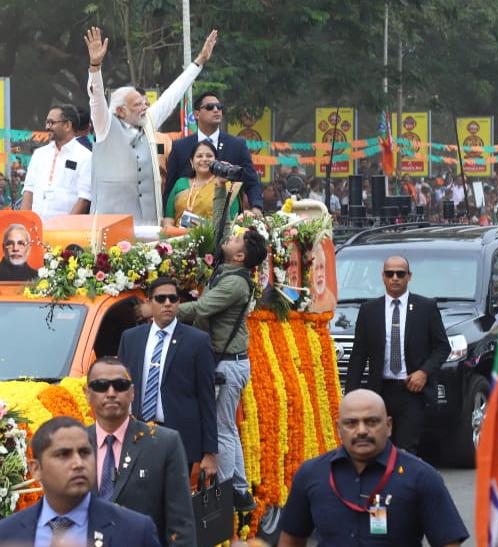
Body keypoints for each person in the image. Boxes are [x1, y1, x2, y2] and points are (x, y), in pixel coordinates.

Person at [278, 389, 467, 547]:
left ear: (389, 425)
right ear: (338, 429)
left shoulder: (422, 476)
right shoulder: (312, 474)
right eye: (351, 423)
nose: (361, 430)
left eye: (371, 422)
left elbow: (449, 542)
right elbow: (291, 539)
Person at [84, 26, 217, 224]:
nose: (145, 107)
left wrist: (199, 62)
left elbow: (172, 95)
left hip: (148, 223)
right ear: (121, 111)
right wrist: (95, 67)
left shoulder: (147, 122)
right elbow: (96, 100)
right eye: (137, 105)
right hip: (110, 226)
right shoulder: (106, 126)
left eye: (145, 103)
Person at [174, 225, 266, 513]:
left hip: (228, 364)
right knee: (227, 428)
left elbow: (201, 309)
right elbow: (219, 226)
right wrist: (222, 189)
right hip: (228, 361)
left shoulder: (235, 284)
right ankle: (238, 489)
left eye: (236, 239)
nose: (230, 237)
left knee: (223, 430)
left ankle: (226, 494)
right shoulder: (229, 272)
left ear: (239, 256)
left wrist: (161, 311)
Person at [0, 416, 160, 547]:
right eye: (63, 454)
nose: (78, 463)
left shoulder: (135, 531)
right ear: (36, 469)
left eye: (85, 453)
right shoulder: (6, 533)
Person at [343, 256, 450, 455]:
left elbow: (442, 347)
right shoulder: (369, 310)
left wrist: (424, 372)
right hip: (379, 391)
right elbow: (358, 355)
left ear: (409, 276)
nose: (395, 278)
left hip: (411, 392)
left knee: (406, 451)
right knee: (377, 449)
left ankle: (403, 485)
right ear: (383, 277)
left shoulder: (425, 308)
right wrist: (350, 396)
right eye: (389, 274)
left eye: (400, 274)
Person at [83, 357, 195, 547]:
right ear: (87, 393)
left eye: (120, 385)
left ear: (132, 392)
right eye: (101, 386)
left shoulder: (164, 443)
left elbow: (181, 525)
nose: (111, 393)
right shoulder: (74, 444)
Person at [121, 277, 218, 480]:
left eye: (172, 298)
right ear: (149, 303)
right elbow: (122, 386)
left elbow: (207, 398)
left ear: (178, 303)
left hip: (179, 438)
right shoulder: (131, 338)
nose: (167, 303)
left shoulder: (197, 341)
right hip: (137, 433)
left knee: (172, 504)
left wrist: (210, 451)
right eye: (161, 298)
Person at [162, 92, 263, 213]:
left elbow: (251, 181)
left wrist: (256, 207)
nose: (216, 110)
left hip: (227, 221)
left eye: (219, 107)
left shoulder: (237, 145)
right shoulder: (180, 146)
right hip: (186, 223)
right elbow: (170, 188)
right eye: (210, 107)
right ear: (197, 114)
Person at [20, 105, 92, 218]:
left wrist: (65, 229)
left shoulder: (85, 156)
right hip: (36, 228)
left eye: (51, 122)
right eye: (47, 122)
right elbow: (29, 190)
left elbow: (84, 199)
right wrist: (24, 224)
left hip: (66, 231)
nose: (47, 127)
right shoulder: (39, 154)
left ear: (67, 125)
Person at [161, 141, 240, 230]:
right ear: (191, 161)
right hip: (176, 239)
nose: (204, 159)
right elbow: (168, 218)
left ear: (216, 161)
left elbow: (232, 222)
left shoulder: (226, 186)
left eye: (209, 156)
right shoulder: (180, 183)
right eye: (199, 156)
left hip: (211, 240)